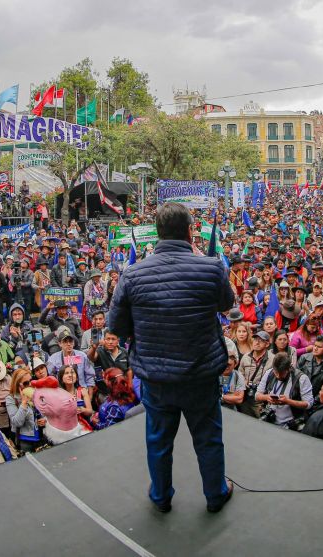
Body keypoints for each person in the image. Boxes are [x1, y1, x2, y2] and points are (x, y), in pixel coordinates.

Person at [107, 202, 236, 514]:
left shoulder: (132, 275)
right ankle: (215, 494)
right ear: (190, 231)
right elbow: (226, 305)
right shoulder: (211, 268)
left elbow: (117, 327)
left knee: (158, 441)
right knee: (208, 439)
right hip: (201, 376)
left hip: (156, 377)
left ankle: (161, 497)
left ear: (158, 233)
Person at [255, 352, 314, 429]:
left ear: (289, 368)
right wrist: (266, 397)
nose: (278, 376)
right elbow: (257, 396)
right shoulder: (269, 373)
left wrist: (288, 401)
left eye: (282, 373)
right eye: (276, 372)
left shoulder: (301, 378)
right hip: (269, 421)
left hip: (290, 425)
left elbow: (308, 404)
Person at [296, 335, 323, 399]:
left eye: (319, 347)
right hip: (297, 396)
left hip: (316, 402)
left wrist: (314, 401)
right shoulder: (304, 358)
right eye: (315, 345)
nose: (315, 348)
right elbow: (295, 378)